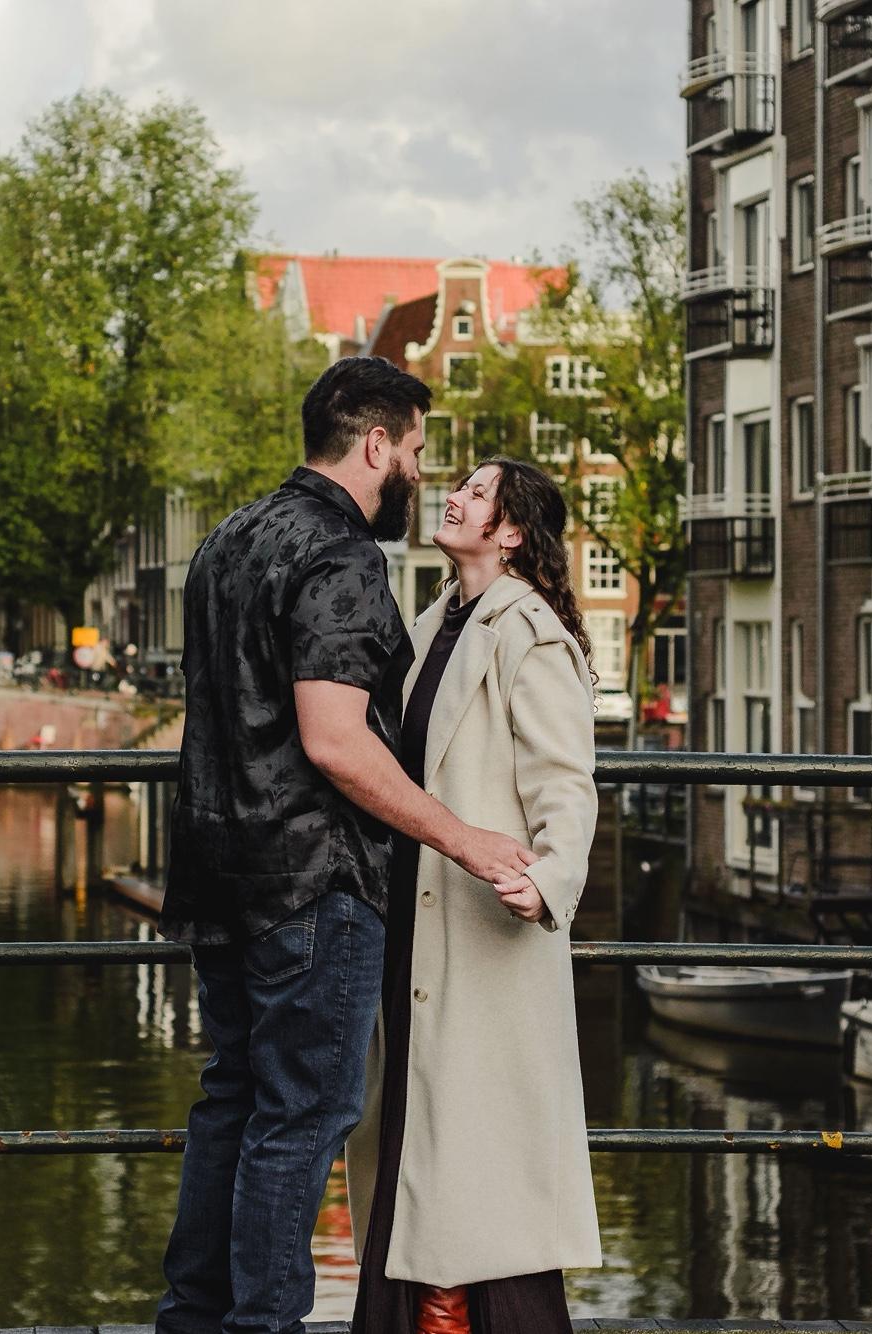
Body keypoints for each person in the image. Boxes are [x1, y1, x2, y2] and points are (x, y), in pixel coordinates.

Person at [155, 360, 537, 1334]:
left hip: (216, 874)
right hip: (311, 885)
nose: (419, 471)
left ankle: (190, 1320)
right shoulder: (341, 554)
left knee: (230, 1101)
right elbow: (333, 740)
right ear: (376, 445)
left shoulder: (228, 538)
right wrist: (465, 839)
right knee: (299, 1120)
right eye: (415, 450)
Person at [347, 456, 602, 1334]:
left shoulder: (529, 633)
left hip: (482, 932)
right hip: (417, 927)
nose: (453, 497)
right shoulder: (436, 622)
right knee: (417, 1142)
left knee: (468, 1167)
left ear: (513, 531)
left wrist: (548, 879)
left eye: (478, 493)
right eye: (459, 485)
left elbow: (566, 781)